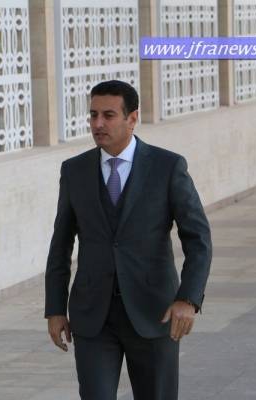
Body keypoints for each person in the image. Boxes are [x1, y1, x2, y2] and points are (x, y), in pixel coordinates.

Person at [45, 80, 212, 400]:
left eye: (108, 115)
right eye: (93, 115)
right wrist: (55, 308)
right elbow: (61, 243)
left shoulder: (167, 167)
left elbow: (198, 238)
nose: (98, 124)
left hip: (155, 312)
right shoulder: (74, 170)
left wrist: (188, 298)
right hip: (93, 316)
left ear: (132, 118)